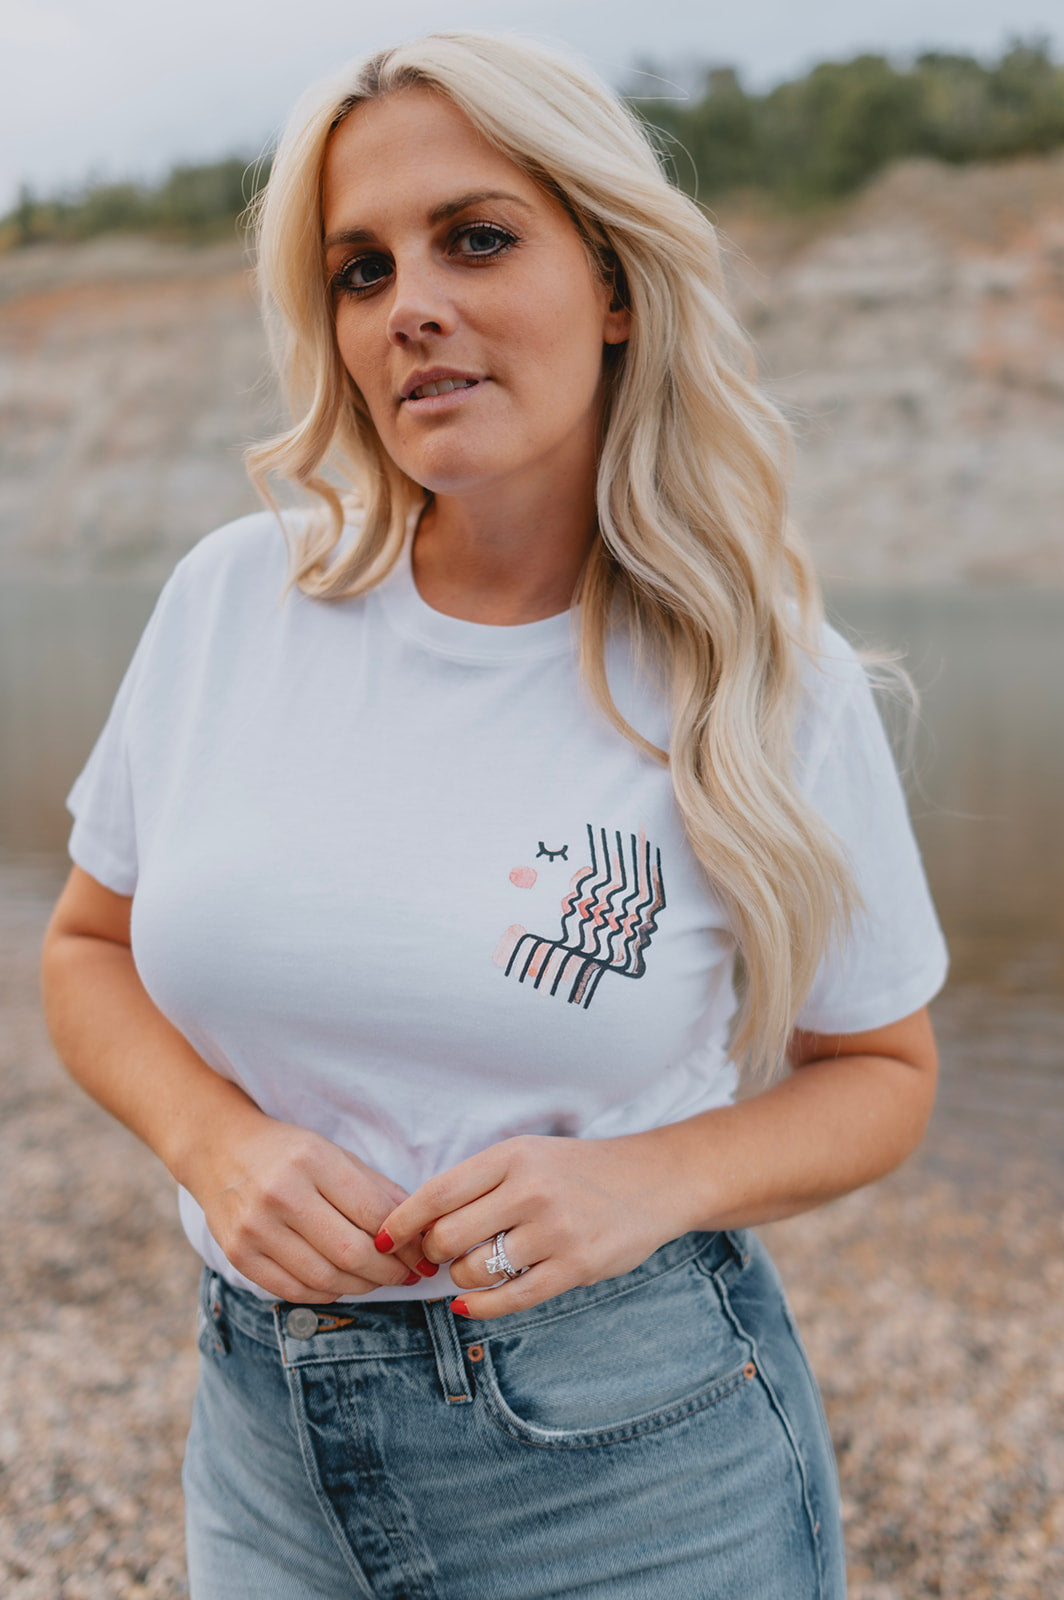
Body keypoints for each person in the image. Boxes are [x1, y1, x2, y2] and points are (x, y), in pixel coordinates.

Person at [41, 31, 948, 1600]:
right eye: (361, 269)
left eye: (474, 239)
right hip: (261, 1443)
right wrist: (214, 1141)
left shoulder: (762, 679)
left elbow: (882, 1074)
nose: (411, 305)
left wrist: (649, 1181)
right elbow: (85, 951)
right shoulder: (232, 601)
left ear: (613, 282)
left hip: (633, 1464)